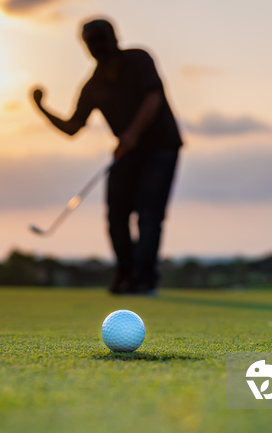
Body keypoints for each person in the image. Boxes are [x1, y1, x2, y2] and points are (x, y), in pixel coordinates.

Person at [31, 18, 183, 295]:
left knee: (149, 214)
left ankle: (144, 280)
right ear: (85, 46)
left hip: (161, 147)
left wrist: (133, 132)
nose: (97, 44)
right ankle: (125, 276)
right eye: (91, 40)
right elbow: (73, 127)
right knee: (116, 214)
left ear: (114, 37)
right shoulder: (93, 85)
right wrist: (41, 108)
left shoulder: (139, 59)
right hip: (127, 154)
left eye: (101, 37)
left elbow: (153, 98)